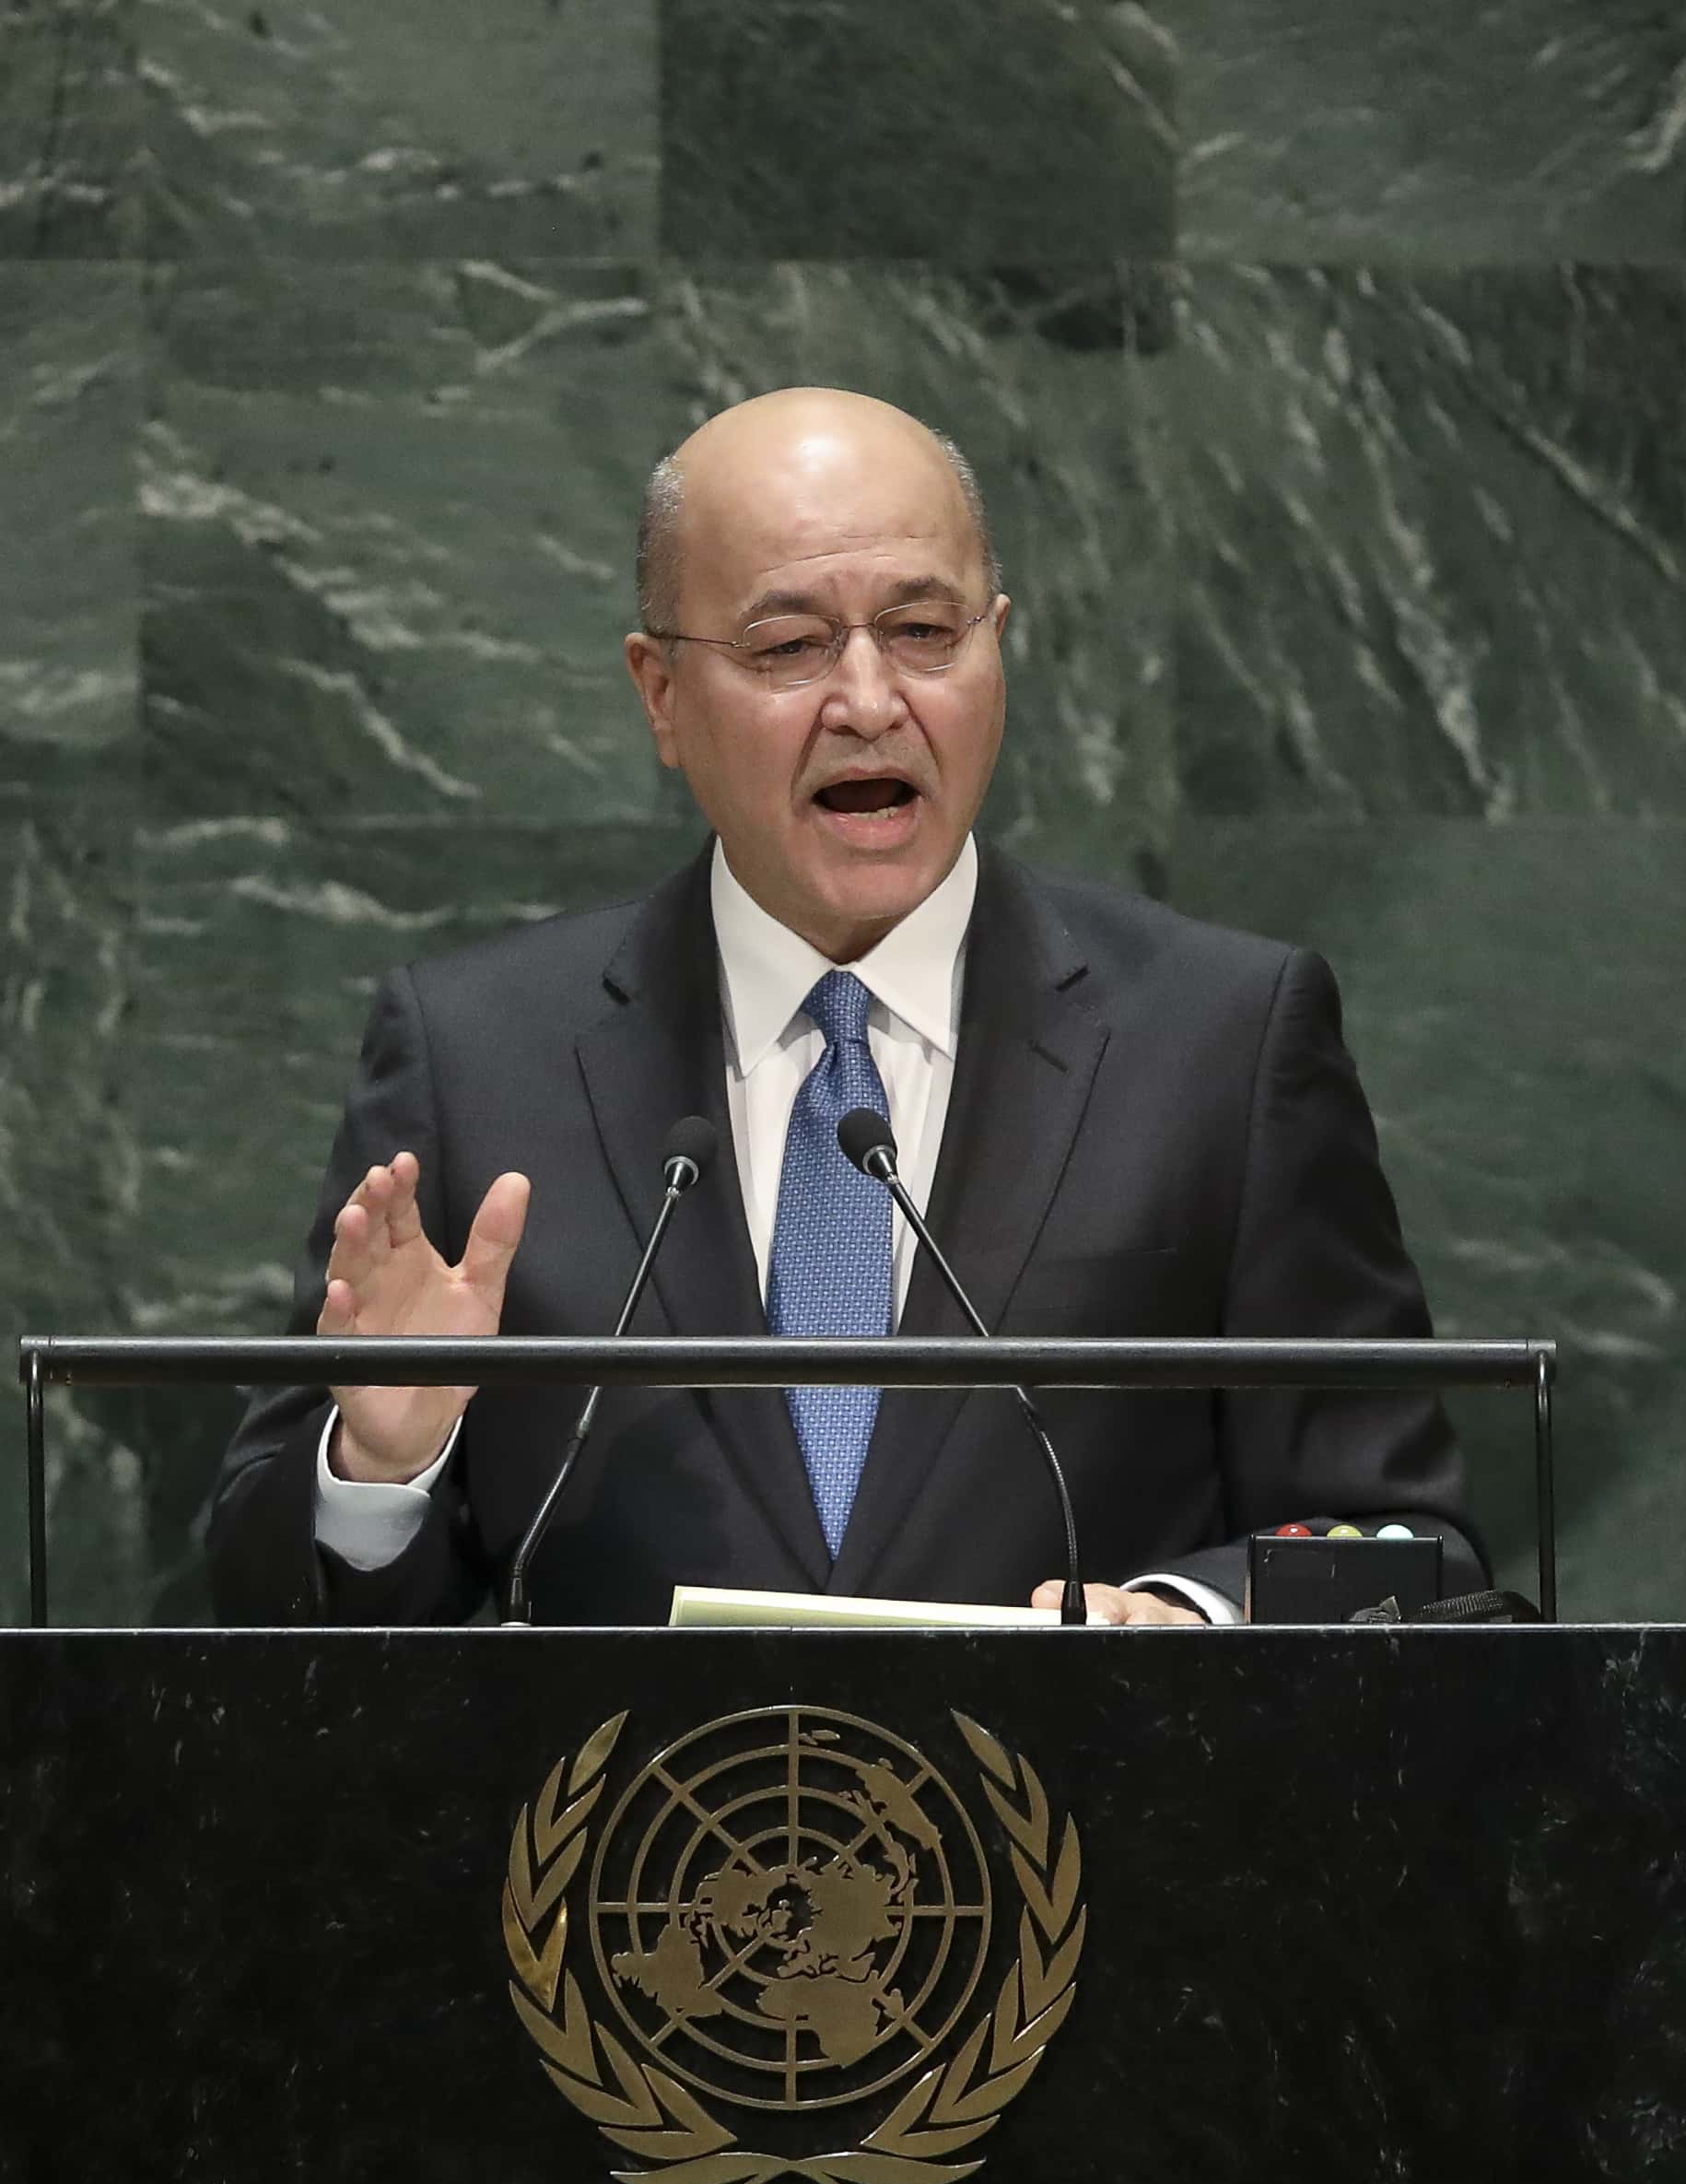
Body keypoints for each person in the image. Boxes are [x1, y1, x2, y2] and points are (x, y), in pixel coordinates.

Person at [184, 387, 1477, 1626]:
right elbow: (256, 1610)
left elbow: (1407, 1547)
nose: (868, 703)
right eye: (790, 647)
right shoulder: (477, 1057)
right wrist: (384, 1465)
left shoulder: (1221, 1040)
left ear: (997, 648)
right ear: (660, 693)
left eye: (924, 633)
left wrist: (1185, 1617)